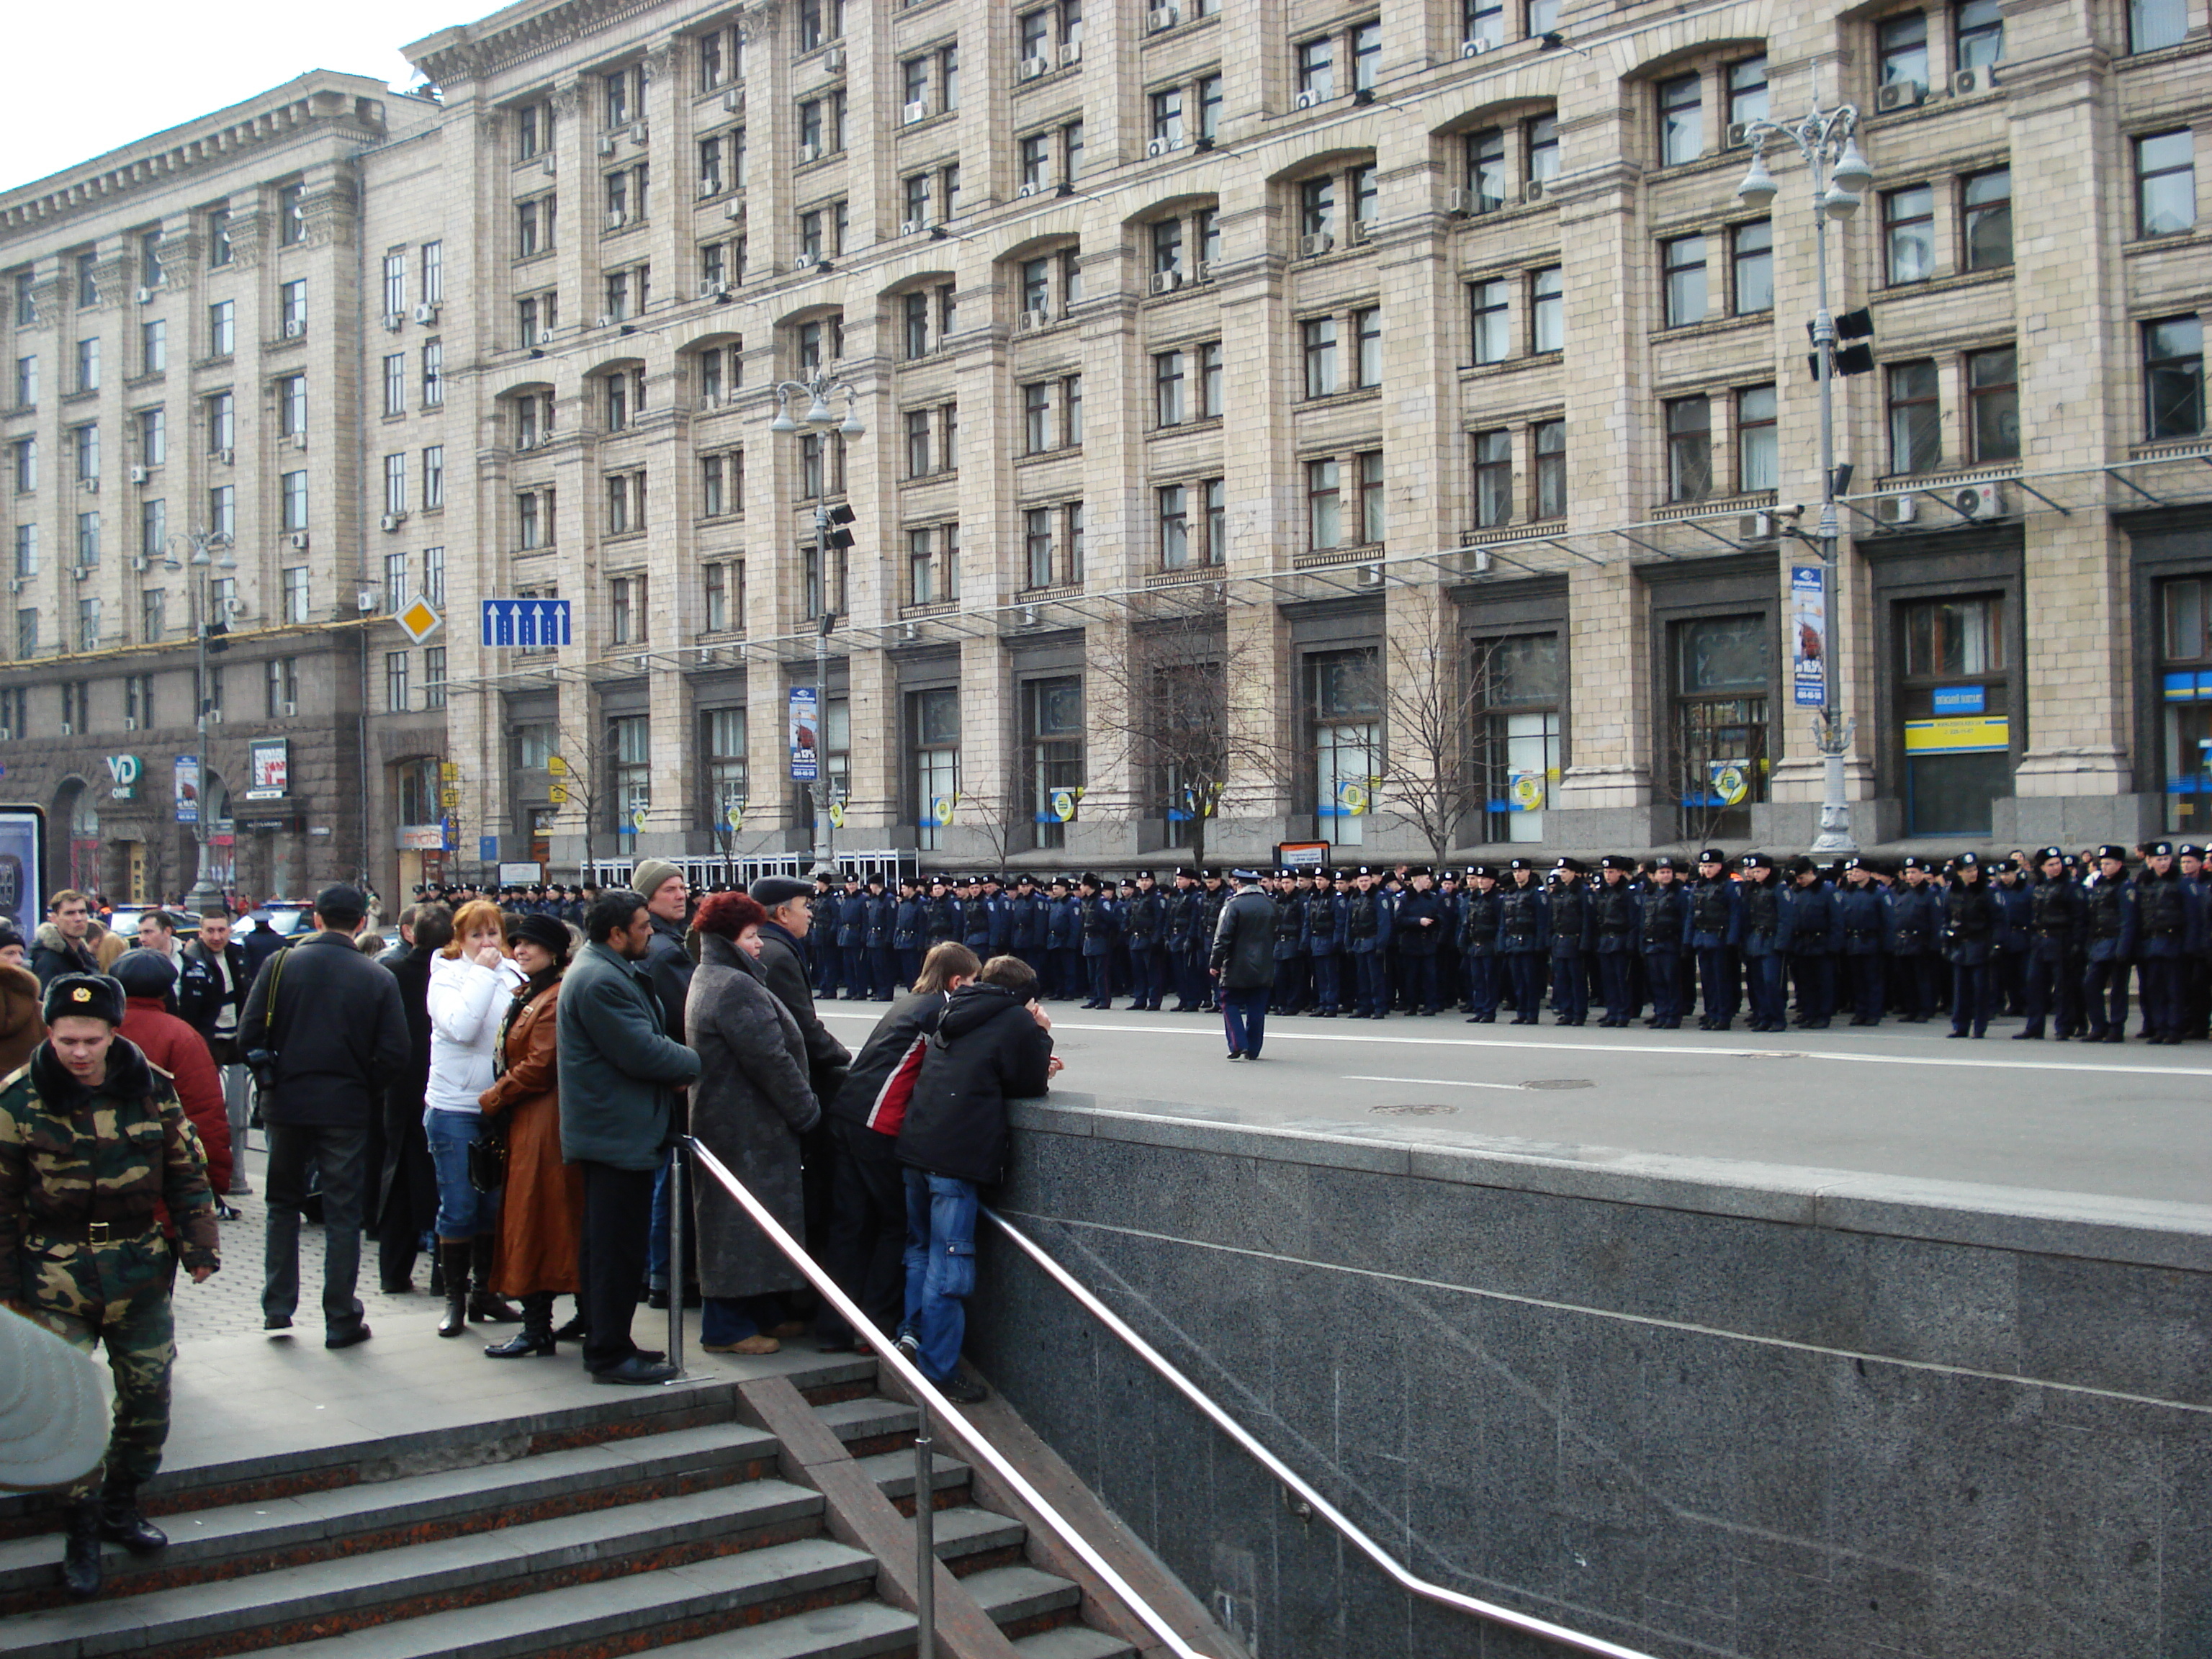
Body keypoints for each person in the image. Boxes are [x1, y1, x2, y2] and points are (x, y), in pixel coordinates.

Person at [0, 972, 218, 1599]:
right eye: (67, 1039)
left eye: (90, 1040)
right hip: (53, 1272)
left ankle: (122, 1503)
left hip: (138, 1267)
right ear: (49, 1033)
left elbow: (185, 1167)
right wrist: (8, 1288)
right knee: (72, 1406)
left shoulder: (151, 1089)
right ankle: (81, 1528)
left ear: (112, 1034)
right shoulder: (19, 1101)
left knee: (148, 1396)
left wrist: (201, 1243)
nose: (78, 1052)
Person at [239, 884, 410, 1350]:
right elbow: (396, 1053)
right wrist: (363, 1085)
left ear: (316, 919)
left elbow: (248, 1035)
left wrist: (274, 1075)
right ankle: (341, 1316)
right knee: (342, 1212)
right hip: (346, 1107)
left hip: (287, 1104)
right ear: (360, 923)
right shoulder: (375, 977)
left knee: (281, 1204)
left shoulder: (278, 966)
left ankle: (277, 1305)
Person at [894, 955, 1057, 1403]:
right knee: (950, 1265)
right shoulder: (1014, 1021)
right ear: (1025, 996)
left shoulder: (954, 1007)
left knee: (919, 1250)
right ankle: (938, 1370)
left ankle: (910, 1337)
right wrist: (1040, 1033)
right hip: (956, 1156)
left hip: (917, 1143)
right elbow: (1028, 1084)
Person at [558, 890, 701, 1385]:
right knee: (616, 1250)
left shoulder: (608, 970)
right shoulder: (601, 980)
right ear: (615, 934)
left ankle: (611, 1337)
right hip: (615, 1133)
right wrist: (692, 1061)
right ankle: (608, 1351)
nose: (649, 933)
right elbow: (646, 1051)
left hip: (619, 1129)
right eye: (642, 926)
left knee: (610, 1247)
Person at [819, 941, 981, 1354]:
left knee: (848, 1225)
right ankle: (874, 1325)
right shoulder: (937, 1012)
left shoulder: (909, 1003)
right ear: (956, 981)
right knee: (895, 1225)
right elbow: (956, 1064)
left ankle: (832, 1326)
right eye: (973, 983)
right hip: (879, 1122)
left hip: (847, 1115)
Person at [685, 893, 823, 1357]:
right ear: (728, 940)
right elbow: (772, 1060)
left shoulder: (714, 976)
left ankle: (763, 1311)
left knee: (753, 1223)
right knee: (736, 1225)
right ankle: (726, 1326)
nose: (760, 944)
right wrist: (806, 1111)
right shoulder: (733, 986)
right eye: (750, 936)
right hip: (745, 1129)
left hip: (737, 1125)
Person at [475, 913, 583, 1359]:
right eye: (516, 943)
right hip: (529, 1123)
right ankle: (544, 1323)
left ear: (554, 952)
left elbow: (540, 1065)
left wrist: (494, 1098)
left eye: (530, 945)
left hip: (544, 1124)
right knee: (534, 1222)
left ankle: (547, 1326)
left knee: (541, 1222)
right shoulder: (529, 993)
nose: (519, 950)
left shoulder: (552, 998)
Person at [425, 899, 527, 1337]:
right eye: (476, 936)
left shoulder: (514, 976)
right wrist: (483, 973)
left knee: (492, 1206)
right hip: (454, 1106)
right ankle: (454, 1297)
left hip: (499, 1105)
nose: (487, 944)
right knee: (461, 1205)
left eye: (493, 934)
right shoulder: (445, 978)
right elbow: (462, 1026)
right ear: (459, 940)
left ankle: (486, 1292)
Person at [113, 951, 233, 1204]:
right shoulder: (181, 1036)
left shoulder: (98, 1032)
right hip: (162, 1176)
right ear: (166, 991)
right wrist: (215, 1177)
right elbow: (204, 1110)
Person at [374, 904, 446, 1296]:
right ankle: (444, 1275)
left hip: (399, 1090)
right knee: (445, 1181)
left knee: (399, 1178)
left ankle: (394, 1272)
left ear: (411, 935)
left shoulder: (391, 974)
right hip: (443, 1088)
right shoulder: (452, 978)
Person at [179, 907, 252, 1196]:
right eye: (210, 930)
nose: (216, 936)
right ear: (200, 932)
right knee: (207, 1108)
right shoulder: (193, 960)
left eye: (222, 930)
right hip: (208, 1040)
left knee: (238, 1110)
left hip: (236, 1036)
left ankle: (236, 1175)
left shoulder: (238, 955)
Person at [1210, 869, 1277, 1061]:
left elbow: (1222, 938)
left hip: (1236, 966)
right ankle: (1254, 1049)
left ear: (1239, 886)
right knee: (1256, 1008)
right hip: (1264, 965)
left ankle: (1238, 1043)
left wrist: (1215, 963)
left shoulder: (1234, 905)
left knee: (1229, 1003)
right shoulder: (1271, 905)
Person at [32, 891, 104, 986]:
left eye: (82, 912)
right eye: (70, 913)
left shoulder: (85, 955)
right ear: (54, 918)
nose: (78, 918)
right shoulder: (48, 960)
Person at [0, 930, 42, 1075]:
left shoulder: (37, 1009)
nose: (18, 960)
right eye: (9, 953)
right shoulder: (37, 1010)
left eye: (20, 953)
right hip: (22, 1089)